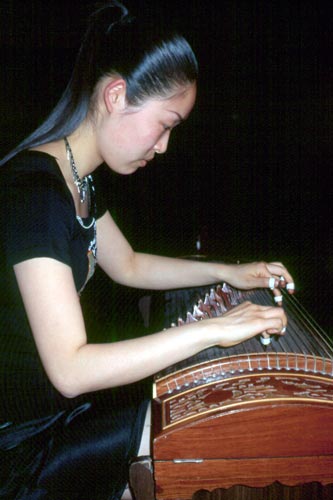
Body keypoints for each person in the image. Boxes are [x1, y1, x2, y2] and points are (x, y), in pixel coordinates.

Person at [0, 1, 294, 499]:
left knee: (177, 414)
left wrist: (232, 272)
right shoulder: (36, 196)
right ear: (117, 95)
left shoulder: (79, 180)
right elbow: (71, 369)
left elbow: (129, 264)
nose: (163, 147)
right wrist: (217, 329)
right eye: (167, 123)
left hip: (58, 419)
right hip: (21, 447)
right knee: (188, 432)